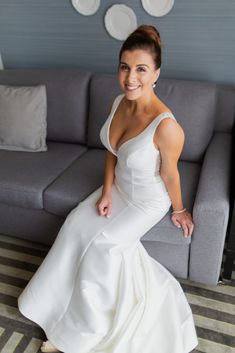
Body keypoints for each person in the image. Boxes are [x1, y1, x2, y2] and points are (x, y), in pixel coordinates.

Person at [18, 24, 199, 353]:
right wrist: (105, 191)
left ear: (156, 73)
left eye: (141, 69)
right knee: (75, 224)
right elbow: (112, 152)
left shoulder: (167, 127)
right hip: (119, 189)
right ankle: (50, 307)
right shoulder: (118, 102)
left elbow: (170, 176)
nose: (131, 78)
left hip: (147, 201)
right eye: (125, 67)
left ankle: (79, 334)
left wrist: (179, 209)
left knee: (104, 247)